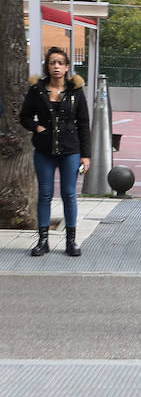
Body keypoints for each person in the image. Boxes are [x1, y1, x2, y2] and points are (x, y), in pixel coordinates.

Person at [19, 46, 90, 258]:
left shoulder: (75, 92)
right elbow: (24, 116)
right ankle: (43, 241)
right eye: (52, 63)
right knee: (45, 195)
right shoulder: (37, 90)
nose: (56, 66)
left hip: (70, 151)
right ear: (47, 66)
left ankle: (71, 241)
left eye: (60, 63)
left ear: (67, 67)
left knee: (69, 194)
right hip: (44, 151)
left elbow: (84, 124)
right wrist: (37, 128)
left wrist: (86, 156)